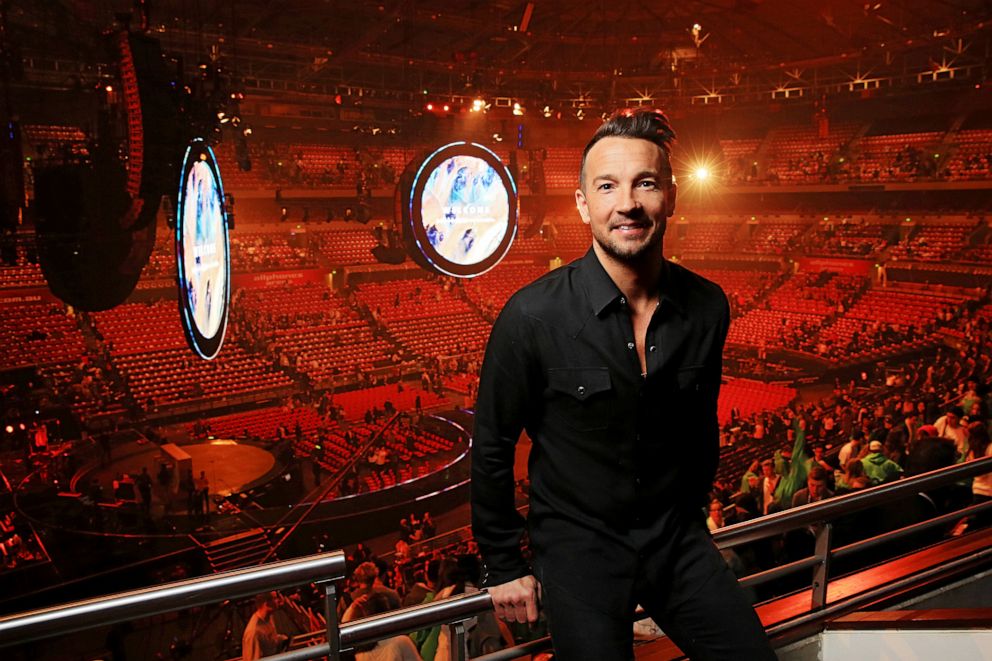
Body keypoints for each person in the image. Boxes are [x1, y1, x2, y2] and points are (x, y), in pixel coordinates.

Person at [471, 107, 775, 660]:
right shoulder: (531, 316)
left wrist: (690, 514)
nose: (628, 203)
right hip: (578, 552)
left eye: (646, 184)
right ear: (584, 204)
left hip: (676, 542)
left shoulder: (707, 305)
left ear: (671, 197)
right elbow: (490, 445)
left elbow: (700, 426)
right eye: (607, 186)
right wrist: (504, 564)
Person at [242, 591, 287, 660]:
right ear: (267, 603)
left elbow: (269, 642)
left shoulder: (269, 617)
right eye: (275, 598)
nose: (278, 601)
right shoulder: (254, 632)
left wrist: (281, 639)